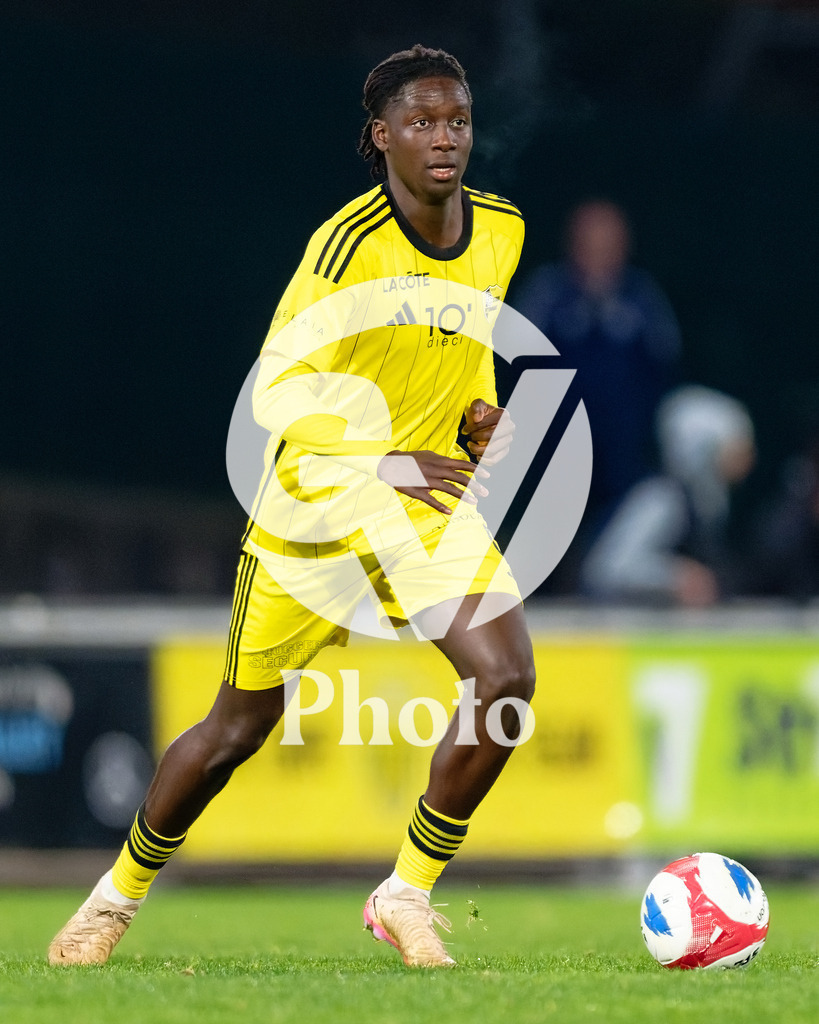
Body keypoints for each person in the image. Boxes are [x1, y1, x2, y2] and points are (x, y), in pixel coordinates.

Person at [48, 45, 534, 969]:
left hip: (424, 505)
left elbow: (464, 343)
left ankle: (405, 894)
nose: (445, 139)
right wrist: (387, 458)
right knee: (237, 727)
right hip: (317, 509)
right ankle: (113, 901)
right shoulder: (347, 248)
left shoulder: (502, 227)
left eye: (458, 121)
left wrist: (478, 413)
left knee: (505, 681)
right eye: (422, 123)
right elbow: (277, 393)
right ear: (380, 137)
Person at [514, 200, 682, 533]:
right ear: (572, 246)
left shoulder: (642, 299)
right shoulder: (547, 294)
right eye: (589, 246)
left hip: (625, 460)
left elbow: (667, 367)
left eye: (608, 247)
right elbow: (513, 366)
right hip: (553, 454)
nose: (598, 257)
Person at [579, 385, 755, 606]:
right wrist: (677, 577)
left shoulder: (711, 505)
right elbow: (606, 569)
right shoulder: (663, 500)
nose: (747, 460)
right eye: (734, 449)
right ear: (703, 450)